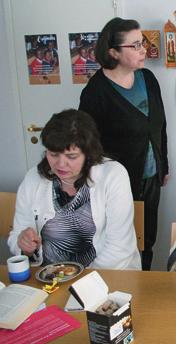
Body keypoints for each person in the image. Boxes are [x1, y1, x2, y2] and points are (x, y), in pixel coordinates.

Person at [79, 17, 169, 271]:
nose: (144, 50)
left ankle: (145, 286)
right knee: (120, 242)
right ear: (113, 52)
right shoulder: (96, 92)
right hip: (116, 184)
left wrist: (164, 166)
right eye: (135, 45)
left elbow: (160, 127)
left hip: (152, 176)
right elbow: (86, 145)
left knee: (147, 237)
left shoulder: (148, 78)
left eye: (143, 43)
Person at [7, 109, 141, 270]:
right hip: (49, 279)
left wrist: (79, 284)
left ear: (89, 154)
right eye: (53, 154)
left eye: (71, 156)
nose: (61, 164)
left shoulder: (113, 175)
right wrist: (24, 246)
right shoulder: (33, 178)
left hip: (106, 277)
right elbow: (18, 236)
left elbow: (119, 249)